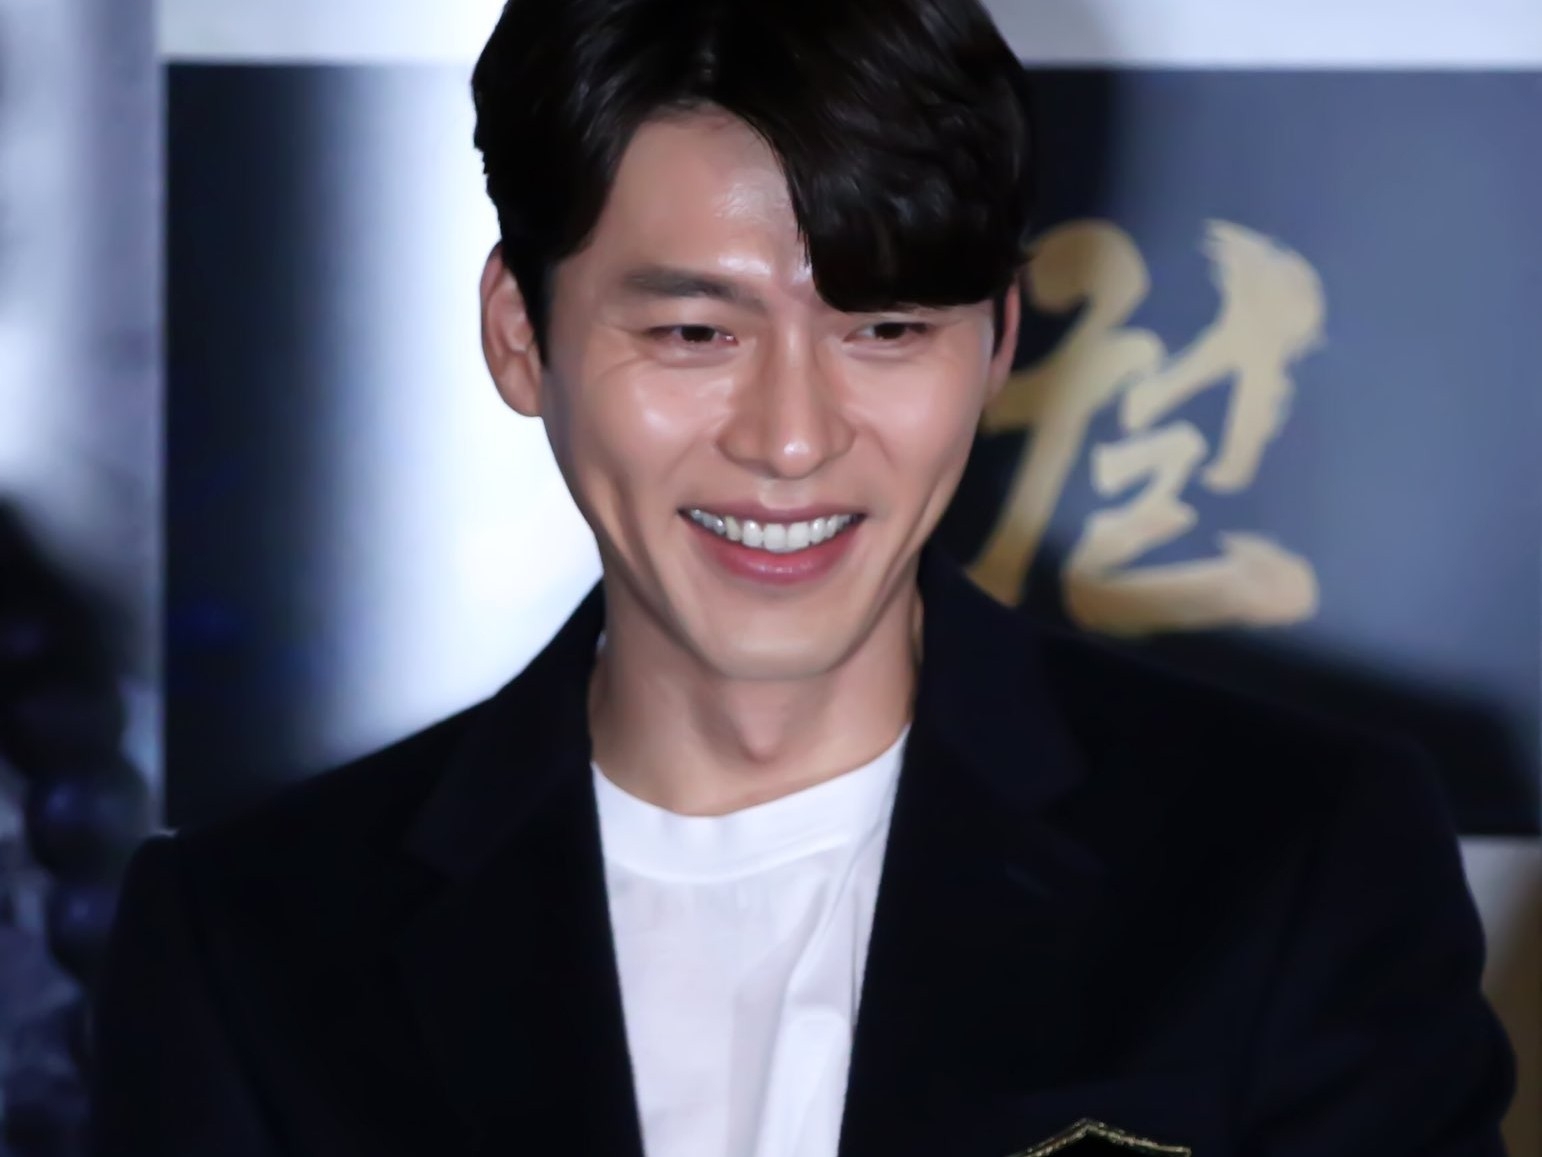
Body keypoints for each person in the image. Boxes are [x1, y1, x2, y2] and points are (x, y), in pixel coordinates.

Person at [89, 0, 1515, 1153]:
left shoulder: (1288, 863)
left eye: (885, 330)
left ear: (997, 340)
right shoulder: (253, 943)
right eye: (695, 334)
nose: (790, 438)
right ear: (520, 334)